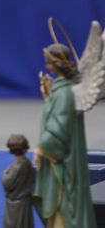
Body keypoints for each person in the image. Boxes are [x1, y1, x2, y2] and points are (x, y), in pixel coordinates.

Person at [33, 43, 96, 228]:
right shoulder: (64, 90)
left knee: (64, 203)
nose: (46, 67)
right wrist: (49, 93)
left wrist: (41, 148)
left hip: (64, 161)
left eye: (48, 62)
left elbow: (59, 128)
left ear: (57, 63)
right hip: (63, 156)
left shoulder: (65, 93)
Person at [2, 134, 35, 228]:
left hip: (17, 206)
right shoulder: (27, 162)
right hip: (25, 202)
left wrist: (4, 174)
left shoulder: (18, 165)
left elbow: (7, 183)